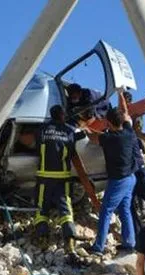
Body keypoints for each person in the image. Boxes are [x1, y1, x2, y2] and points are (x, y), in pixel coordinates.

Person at [34, 105, 95, 265]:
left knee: (42, 208)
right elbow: (79, 139)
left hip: (44, 177)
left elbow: (32, 143)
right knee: (65, 209)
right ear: (62, 115)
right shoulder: (69, 131)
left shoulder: (41, 129)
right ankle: (69, 242)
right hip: (62, 179)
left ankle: (42, 238)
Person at [84, 89, 137, 255]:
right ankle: (130, 242)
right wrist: (121, 93)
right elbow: (126, 112)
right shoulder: (129, 132)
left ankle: (99, 246)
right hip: (130, 178)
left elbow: (92, 137)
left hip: (119, 180)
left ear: (108, 122)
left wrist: (83, 126)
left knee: (106, 210)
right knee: (125, 210)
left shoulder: (109, 139)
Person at [120, 91, 145, 234]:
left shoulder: (128, 129)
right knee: (129, 204)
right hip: (132, 171)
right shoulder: (127, 131)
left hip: (137, 170)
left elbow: (125, 113)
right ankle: (137, 237)